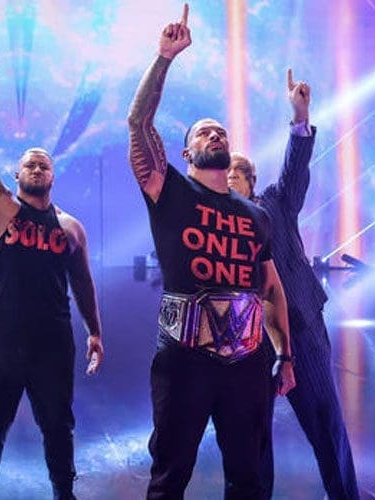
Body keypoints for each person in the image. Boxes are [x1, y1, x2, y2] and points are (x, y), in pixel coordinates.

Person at [126, 5, 295, 499]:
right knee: (169, 477)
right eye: (203, 131)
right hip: (185, 359)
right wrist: (164, 58)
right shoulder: (169, 190)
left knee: (249, 477)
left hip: (248, 361)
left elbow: (269, 289)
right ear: (185, 153)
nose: (215, 134)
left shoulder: (256, 215)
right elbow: (138, 122)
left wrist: (284, 355)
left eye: (220, 130)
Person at [0, 59, 104, 500]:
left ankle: (65, 493)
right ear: (17, 175)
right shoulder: (0, 209)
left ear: (53, 175)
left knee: (58, 426)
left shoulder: (71, 228)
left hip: (52, 342)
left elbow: (83, 283)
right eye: (30, 164)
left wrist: (95, 332)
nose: (38, 168)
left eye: (44, 165)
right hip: (0, 339)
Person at [227, 69, 359, 500]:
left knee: (325, 423)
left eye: (235, 174)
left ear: (250, 181)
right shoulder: (215, 223)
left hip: (300, 327)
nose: (227, 180)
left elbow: (294, 171)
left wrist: (300, 117)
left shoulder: (275, 203)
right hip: (246, 339)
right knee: (253, 438)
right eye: (222, 175)